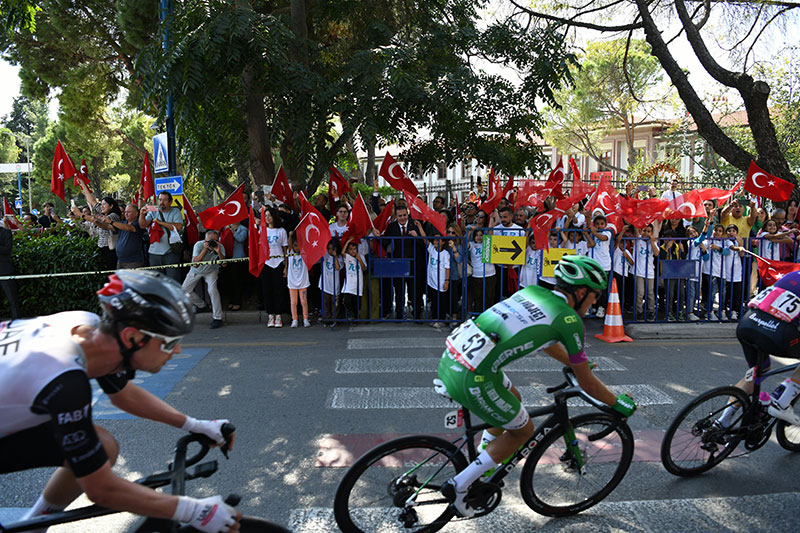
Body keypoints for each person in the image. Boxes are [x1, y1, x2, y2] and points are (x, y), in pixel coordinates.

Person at [0, 270, 240, 532]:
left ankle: (33, 525)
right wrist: (194, 511)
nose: (178, 350)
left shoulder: (85, 327)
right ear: (131, 337)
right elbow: (101, 490)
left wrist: (196, 425)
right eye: (170, 342)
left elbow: (123, 394)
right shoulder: (65, 381)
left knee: (102, 447)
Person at [435, 255, 636, 517]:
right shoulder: (569, 319)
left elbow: (548, 341)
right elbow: (586, 382)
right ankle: (460, 485)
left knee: (513, 397)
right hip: (474, 375)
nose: (596, 301)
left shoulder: (533, 291)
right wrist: (618, 403)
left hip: (455, 359)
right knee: (523, 431)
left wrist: (576, 363)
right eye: (595, 295)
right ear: (582, 291)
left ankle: (486, 456)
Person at [718, 271, 800, 427]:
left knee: (758, 370)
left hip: (748, 323)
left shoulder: (793, 273)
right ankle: (781, 403)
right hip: (775, 332)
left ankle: (722, 421)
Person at [182, 230, 225, 329]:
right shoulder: (199, 245)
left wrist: (218, 252)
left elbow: (224, 264)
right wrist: (205, 249)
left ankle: (217, 318)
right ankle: (201, 305)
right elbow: (196, 263)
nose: (212, 243)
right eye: (210, 240)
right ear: (205, 240)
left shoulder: (220, 246)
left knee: (212, 290)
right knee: (184, 290)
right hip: (196, 270)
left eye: (215, 240)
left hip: (212, 270)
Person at [139, 191, 184, 282]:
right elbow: (142, 225)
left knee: (173, 281)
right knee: (157, 282)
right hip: (154, 253)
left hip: (170, 252)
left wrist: (160, 223)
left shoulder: (175, 211)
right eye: (160, 200)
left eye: (164, 200)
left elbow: (179, 227)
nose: (161, 202)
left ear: (170, 202)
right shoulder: (154, 210)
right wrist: (142, 214)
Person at [260, 207, 289, 328]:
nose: (267, 218)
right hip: (266, 264)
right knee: (267, 290)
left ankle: (278, 315)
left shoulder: (281, 231)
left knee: (279, 290)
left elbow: (285, 250)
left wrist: (286, 266)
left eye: (269, 215)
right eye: (265, 215)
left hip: (278, 263)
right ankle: (270, 315)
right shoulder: (262, 230)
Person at [108, 203, 147, 269]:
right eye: (125, 212)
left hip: (134, 261)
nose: (126, 214)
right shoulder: (122, 223)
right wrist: (97, 222)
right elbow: (108, 227)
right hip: (120, 260)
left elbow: (129, 228)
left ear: (136, 213)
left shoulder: (138, 223)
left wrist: (111, 222)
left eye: (129, 212)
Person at [286, 233, 311, 328]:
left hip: (303, 282)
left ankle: (305, 318)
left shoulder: (304, 253)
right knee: (293, 302)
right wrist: (290, 236)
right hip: (292, 282)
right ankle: (295, 319)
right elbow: (289, 245)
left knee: (303, 301)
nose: (297, 248)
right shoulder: (290, 253)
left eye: (299, 246)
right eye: (295, 246)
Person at [0, 222, 21, 318]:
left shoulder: (6, 232)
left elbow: (8, 249)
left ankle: (17, 320)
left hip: (4, 270)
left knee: (12, 299)